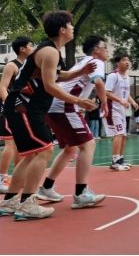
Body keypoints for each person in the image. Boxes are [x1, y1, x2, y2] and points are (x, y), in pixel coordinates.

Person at [0, 11, 97, 220]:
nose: (73, 28)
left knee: (32, 154)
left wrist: (80, 72)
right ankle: (27, 203)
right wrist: (78, 101)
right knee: (44, 150)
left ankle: (10, 200)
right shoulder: (50, 52)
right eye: (70, 25)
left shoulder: (49, 51)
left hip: (20, 106)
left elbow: (58, 75)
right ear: (62, 29)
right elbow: (50, 85)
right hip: (24, 106)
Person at [36, 35, 110, 208]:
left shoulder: (82, 62)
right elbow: (99, 82)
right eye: (105, 47)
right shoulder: (95, 61)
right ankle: (81, 194)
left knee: (70, 149)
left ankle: (46, 188)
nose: (107, 51)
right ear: (96, 50)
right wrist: (104, 103)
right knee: (88, 145)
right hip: (64, 106)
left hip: (55, 106)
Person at [0, 36, 34, 194]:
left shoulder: (29, 66)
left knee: (21, 145)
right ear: (22, 49)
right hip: (11, 109)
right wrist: (11, 105)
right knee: (10, 144)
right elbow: (2, 87)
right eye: (31, 45)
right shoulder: (12, 65)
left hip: (24, 110)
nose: (33, 48)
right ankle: (1, 178)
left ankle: (18, 178)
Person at [104, 53, 139, 171]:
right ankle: (115, 162)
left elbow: (126, 93)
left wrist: (132, 102)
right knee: (119, 134)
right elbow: (107, 92)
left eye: (128, 60)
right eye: (124, 60)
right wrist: (120, 100)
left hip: (121, 110)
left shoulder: (127, 77)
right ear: (117, 63)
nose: (127, 62)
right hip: (112, 109)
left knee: (124, 135)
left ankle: (120, 160)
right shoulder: (113, 76)